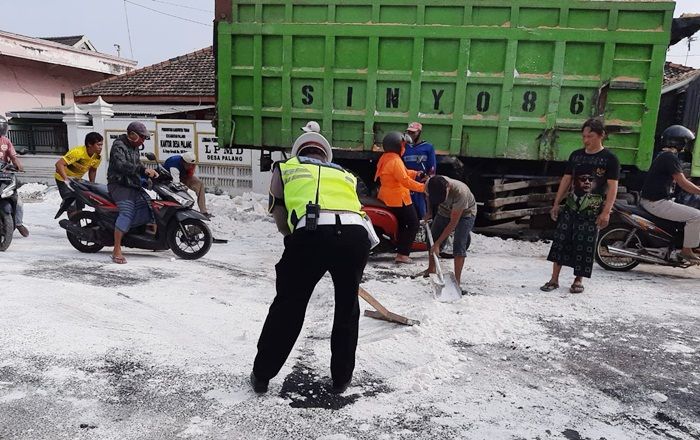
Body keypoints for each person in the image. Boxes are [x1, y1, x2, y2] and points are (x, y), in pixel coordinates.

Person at [251, 132, 372, 395]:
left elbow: (280, 213)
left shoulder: (286, 168)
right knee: (347, 307)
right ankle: (341, 379)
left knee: (289, 306)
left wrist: (292, 239)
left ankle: (262, 375)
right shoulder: (344, 174)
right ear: (325, 155)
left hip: (312, 232)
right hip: (355, 235)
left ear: (299, 152)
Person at [541, 118, 619, 294]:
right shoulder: (576, 155)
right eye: (584, 136)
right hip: (570, 207)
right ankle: (554, 279)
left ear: (601, 135)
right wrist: (556, 203)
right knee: (561, 241)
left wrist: (606, 212)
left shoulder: (610, 159)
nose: (586, 140)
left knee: (584, 245)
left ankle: (578, 280)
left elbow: (613, 187)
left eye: (590, 136)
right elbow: (567, 179)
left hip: (592, 210)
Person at [640, 125, 700, 262]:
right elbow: (683, 183)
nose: (686, 145)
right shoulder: (670, 158)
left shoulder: (664, 155)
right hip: (656, 203)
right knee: (697, 216)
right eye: (685, 142)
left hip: (653, 200)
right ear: (678, 142)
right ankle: (686, 251)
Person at [107, 121, 159, 264]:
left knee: (149, 204)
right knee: (127, 212)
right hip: (118, 184)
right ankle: (116, 249)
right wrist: (141, 170)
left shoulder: (134, 147)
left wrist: (148, 171)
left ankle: (147, 238)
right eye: (142, 137)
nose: (143, 140)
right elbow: (121, 165)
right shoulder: (119, 145)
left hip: (132, 184)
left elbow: (137, 163)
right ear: (132, 135)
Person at [374, 131, 426, 263]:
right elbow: (404, 181)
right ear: (398, 146)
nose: (405, 148)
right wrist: (424, 188)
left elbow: (403, 173)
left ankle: (400, 251)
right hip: (398, 199)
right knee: (413, 224)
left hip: (388, 197)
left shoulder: (386, 157)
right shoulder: (395, 160)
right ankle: (403, 254)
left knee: (403, 225)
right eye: (403, 145)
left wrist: (416, 174)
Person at [422, 176, 477, 291]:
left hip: (465, 214)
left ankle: (456, 282)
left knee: (459, 244)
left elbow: (453, 223)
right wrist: (429, 212)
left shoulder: (461, 192)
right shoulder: (429, 184)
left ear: (448, 188)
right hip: (444, 211)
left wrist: (437, 244)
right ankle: (431, 269)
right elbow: (427, 197)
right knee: (432, 237)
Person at [54, 132, 103, 218]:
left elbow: (93, 170)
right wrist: (66, 180)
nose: (100, 147)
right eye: (98, 145)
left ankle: (78, 224)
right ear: (89, 144)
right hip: (63, 179)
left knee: (81, 202)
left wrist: (92, 184)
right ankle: (71, 225)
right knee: (71, 205)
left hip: (76, 180)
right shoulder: (77, 152)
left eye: (101, 145)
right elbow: (59, 164)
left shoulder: (97, 157)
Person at [0, 115, 28, 237]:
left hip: (4, 174)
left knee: (18, 201)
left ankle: (19, 223)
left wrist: (18, 166)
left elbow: (13, 157)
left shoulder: (6, 141)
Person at [403, 122, 436, 219]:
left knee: (422, 211)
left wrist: (428, 178)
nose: (410, 135)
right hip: (407, 184)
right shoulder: (404, 147)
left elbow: (432, 167)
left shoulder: (428, 147)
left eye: (413, 132)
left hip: (421, 185)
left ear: (419, 133)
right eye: (409, 132)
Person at [163, 152, 211, 218]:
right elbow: (176, 183)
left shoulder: (189, 160)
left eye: (192, 165)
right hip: (169, 179)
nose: (191, 167)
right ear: (183, 162)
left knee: (199, 184)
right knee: (182, 191)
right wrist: (183, 187)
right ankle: (182, 210)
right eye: (188, 165)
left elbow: (189, 174)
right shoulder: (174, 165)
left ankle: (203, 211)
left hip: (182, 176)